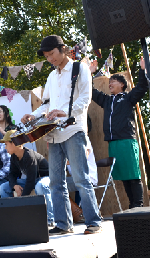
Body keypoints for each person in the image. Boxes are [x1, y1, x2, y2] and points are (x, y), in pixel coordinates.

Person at [21, 35, 102, 235]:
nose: (50, 59)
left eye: (52, 54)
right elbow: (47, 104)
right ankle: (63, 224)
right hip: (53, 133)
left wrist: (65, 111)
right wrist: (34, 115)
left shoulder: (79, 68)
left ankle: (94, 222)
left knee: (81, 178)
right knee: (56, 181)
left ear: (63, 49)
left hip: (73, 130)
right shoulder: (51, 76)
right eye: (46, 56)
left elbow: (85, 98)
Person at [91, 56, 148, 209]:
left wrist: (143, 70)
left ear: (122, 84)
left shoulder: (129, 98)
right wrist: (90, 73)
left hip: (127, 141)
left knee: (133, 175)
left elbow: (142, 87)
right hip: (113, 143)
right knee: (123, 176)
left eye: (113, 81)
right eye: (109, 82)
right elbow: (91, 91)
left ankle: (138, 205)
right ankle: (132, 206)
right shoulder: (106, 100)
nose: (110, 83)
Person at [0, 130, 54, 226]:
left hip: (45, 179)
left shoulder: (29, 156)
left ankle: (50, 219)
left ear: (14, 143)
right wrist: (14, 185)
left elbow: (31, 181)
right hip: (33, 181)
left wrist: (22, 200)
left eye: (6, 144)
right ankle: (12, 217)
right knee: (3, 187)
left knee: (40, 186)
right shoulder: (14, 156)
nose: (5, 147)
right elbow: (12, 174)